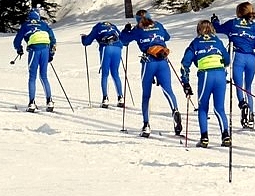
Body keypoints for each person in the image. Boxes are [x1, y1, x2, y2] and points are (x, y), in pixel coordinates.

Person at [119, 9, 182, 137]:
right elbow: (167, 37)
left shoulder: (138, 29)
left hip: (148, 62)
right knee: (168, 90)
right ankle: (175, 110)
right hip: (163, 61)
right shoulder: (158, 25)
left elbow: (123, 41)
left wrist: (126, 30)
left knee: (146, 94)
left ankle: (146, 125)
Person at [179, 19, 233, 148]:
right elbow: (227, 60)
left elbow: (184, 64)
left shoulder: (195, 43)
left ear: (198, 30)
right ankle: (226, 135)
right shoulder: (218, 41)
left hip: (206, 75)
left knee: (203, 107)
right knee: (219, 108)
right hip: (220, 74)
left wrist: (185, 82)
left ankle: (204, 137)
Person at [211, 1, 255, 129]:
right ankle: (251, 115)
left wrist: (214, 21)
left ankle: (243, 105)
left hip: (237, 57)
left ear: (239, 12)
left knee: (239, 86)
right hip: (251, 58)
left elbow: (217, 29)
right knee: (248, 87)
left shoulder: (233, 23)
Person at [13, 8, 58, 112]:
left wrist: (19, 49)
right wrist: (51, 54)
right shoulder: (44, 24)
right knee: (44, 76)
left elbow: (17, 41)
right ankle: (49, 101)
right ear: (38, 16)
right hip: (45, 49)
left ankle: (32, 103)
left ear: (29, 16)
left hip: (34, 49)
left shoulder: (26, 25)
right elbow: (53, 39)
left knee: (32, 77)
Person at [81, 21, 125, 108]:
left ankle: (105, 99)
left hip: (106, 48)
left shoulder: (97, 27)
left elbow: (87, 42)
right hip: (118, 48)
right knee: (115, 73)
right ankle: (121, 97)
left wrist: (83, 38)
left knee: (105, 74)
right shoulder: (113, 26)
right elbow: (123, 39)